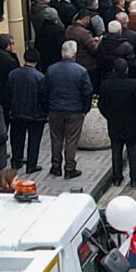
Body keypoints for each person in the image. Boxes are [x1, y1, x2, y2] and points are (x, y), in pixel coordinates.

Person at [43, 41, 94, 178]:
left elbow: (45, 90)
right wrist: (85, 108)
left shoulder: (51, 69)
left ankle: (56, 166)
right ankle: (69, 167)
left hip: (55, 110)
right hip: (74, 110)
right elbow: (87, 91)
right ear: (75, 54)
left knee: (56, 138)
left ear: (62, 52)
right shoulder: (81, 71)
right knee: (71, 140)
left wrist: (47, 108)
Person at [98, 61, 136, 189]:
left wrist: (109, 116)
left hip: (114, 123)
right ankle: (135, 178)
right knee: (133, 150)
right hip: (132, 123)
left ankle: (117, 177)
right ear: (127, 70)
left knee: (116, 151)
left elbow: (101, 105)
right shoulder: (135, 85)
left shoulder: (106, 85)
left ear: (113, 70)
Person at [2, 55, 48, 174]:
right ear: (36, 62)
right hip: (36, 115)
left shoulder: (13, 74)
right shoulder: (40, 77)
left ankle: (16, 161)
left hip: (17, 113)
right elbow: (44, 97)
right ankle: (31, 165)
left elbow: (8, 93)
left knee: (17, 138)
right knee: (34, 141)